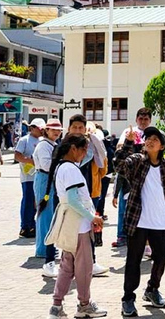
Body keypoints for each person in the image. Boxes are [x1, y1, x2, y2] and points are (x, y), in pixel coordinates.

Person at [38, 135, 107, 319]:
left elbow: (71, 199)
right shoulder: (70, 169)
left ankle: (56, 306)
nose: (85, 153)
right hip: (79, 226)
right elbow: (73, 200)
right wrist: (92, 217)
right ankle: (84, 305)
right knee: (84, 268)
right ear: (73, 148)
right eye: (83, 149)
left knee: (66, 267)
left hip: (70, 223)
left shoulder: (63, 166)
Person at [118, 126, 165, 317]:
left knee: (161, 258)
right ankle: (128, 298)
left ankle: (152, 289)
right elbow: (118, 165)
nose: (150, 141)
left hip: (160, 221)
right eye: (148, 138)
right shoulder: (137, 161)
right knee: (133, 260)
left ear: (162, 146)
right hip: (139, 220)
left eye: (155, 139)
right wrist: (128, 142)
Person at [66, 115, 109, 277]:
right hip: (71, 194)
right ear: (69, 128)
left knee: (90, 229)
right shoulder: (65, 147)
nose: (77, 131)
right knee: (72, 229)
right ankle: (69, 263)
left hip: (91, 192)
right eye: (74, 127)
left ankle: (92, 261)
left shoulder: (91, 146)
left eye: (80, 128)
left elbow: (103, 166)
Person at [112, 108, 152, 247]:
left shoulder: (153, 133)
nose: (143, 121)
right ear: (136, 119)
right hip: (128, 173)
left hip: (146, 175)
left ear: (150, 120)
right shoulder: (129, 132)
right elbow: (120, 147)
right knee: (124, 207)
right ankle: (122, 235)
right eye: (140, 118)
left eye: (146, 119)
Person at [33, 118, 64, 278]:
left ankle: (47, 247)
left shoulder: (50, 144)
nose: (56, 132)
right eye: (53, 130)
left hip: (49, 179)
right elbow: (46, 165)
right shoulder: (44, 146)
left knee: (49, 215)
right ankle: (44, 249)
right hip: (44, 178)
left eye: (58, 130)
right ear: (46, 130)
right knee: (45, 215)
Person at [15, 118, 45, 238]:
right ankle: (25, 226)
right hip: (28, 176)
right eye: (39, 128)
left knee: (36, 202)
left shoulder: (43, 140)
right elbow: (17, 155)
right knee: (28, 201)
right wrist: (32, 161)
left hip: (40, 175)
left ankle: (33, 224)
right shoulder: (24, 140)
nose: (41, 131)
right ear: (32, 128)